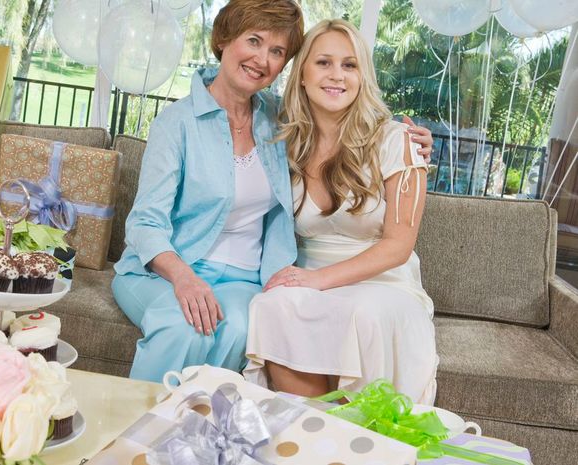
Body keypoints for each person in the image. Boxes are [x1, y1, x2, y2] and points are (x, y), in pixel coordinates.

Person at [113, 0, 434, 383]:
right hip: (172, 268)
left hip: (244, 277)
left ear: (286, 65)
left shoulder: (278, 119)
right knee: (182, 327)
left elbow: (341, 108)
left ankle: (202, 432)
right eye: (253, 40)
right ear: (224, 39)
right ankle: (138, 430)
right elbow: (146, 222)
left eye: (277, 51)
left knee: (238, 328)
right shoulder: (177, 123)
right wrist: (183, 277)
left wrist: (412, 143)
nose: (262, 59)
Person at [244, 19, 438, 404]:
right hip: (311, 277)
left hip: (384, 283)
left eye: (349, 65)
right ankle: (314, 432)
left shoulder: (398, 140)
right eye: (324, 63)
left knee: (360, 312)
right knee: (272, 305)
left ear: (363, 76)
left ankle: (355, 442)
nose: (337, 76)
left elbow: (398, 246)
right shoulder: (282, 141)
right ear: (301, 75)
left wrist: (317, 282)